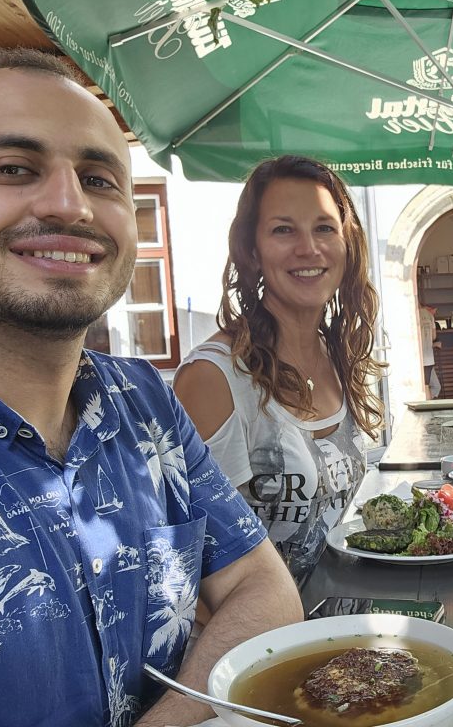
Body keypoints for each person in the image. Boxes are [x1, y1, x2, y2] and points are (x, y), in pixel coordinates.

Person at [0, 49, 302, 727]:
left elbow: (264, 586)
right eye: (13, 169)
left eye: (100, 178)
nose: (69, 204)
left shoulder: (143, 400)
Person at [172, 156, 384, 586]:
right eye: (283, 229)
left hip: (341, 623)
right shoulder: (215, 378)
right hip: (262, 643)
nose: (309, 248)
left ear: (347, 244)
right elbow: (197, 569)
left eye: (324, 227)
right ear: (252, 251)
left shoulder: (336, 354)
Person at [420, 303, 441, 398]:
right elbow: (433, 337)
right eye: (435, 311)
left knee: (427, 386)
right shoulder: (430, 316)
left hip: (418, 358)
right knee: (427, 386)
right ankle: (427, 409)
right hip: (428, 359)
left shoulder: (414, 315)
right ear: (431, 309)